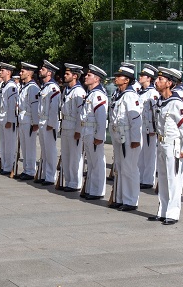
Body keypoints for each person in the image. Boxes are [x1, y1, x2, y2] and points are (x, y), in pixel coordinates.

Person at [150, 67, 183, 225]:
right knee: (163, 178)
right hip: (161, 143)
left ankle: (173, 213)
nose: (157, 81)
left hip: (173, 145)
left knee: (173, 179)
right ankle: (163, 210)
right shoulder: (160, 101)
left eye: (161, 80)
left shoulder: (176, 103)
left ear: (169, 83)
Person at [108, 63, 142, 211]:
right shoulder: (118, 94)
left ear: (127, 80)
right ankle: (121, 197)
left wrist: (135, 139)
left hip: (128, 135)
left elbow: (135, 119)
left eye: (119, 76)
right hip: (118, 134)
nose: (116, 78)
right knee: (120, 168)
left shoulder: (130, 96)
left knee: (129, 168)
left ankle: (131, 200)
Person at [78, 65, 109, 200]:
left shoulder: (98, 95)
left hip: (93, 131)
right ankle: (91, 188)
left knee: (97, 162)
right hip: (87, 131)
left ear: (96, 79)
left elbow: (101, 118)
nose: (86, 77)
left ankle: (97, 191)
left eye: (89, 75)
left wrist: (99, 136)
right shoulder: (91, 93)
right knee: (91, 162)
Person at [59, 64, 86, 192]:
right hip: (65, 125)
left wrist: (78, 130)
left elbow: (81, 114)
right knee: (66, 155)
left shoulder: (79, 92)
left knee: (75, 157)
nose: (65, 75)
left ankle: (75, 182)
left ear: (75, 76)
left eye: (68, 74)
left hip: (73, 126)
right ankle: (68, 181)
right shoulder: (66, 90)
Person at [36, 60, 61, 185]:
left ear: (49, 73)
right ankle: (45, 174)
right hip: (42, 120)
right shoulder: (45, 87)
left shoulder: (53, 88)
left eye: (43, 69)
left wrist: (51, 123)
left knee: (50, 150)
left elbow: (54, 108)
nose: (40, 70)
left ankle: (51, 176)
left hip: (48, 122)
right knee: (44, 150)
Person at [14, 62, 40, 180]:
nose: (20, 73)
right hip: (23, 119)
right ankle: (26, 169)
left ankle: (30, 170)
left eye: (22, 72)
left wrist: (35, 123)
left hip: (29, 120)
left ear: (29, 73)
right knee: (24, 146)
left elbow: (35, 107)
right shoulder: (25, 87)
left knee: (29, 147)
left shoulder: (33, 88)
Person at [137, 64, 160, 189]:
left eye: (142, 76)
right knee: (141, 155)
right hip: (140, 127)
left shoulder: (153, 93)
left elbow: (155, 112)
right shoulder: (141, 92)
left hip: (149, 128)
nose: (140, 77)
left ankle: (148, 179)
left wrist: (153, 129)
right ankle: (141, 177)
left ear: (149, 78)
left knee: (150, 155)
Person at [0, 63, 19, 175]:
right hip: (2, 117)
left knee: (9, 144)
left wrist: (10, 120)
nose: (0, 72)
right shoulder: (4, 85)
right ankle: (4, 165)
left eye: (2, 70)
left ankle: (8, 166)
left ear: (8, 73)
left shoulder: (12, 86)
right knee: (3, 143)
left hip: (8, 118)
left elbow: (12, 104)